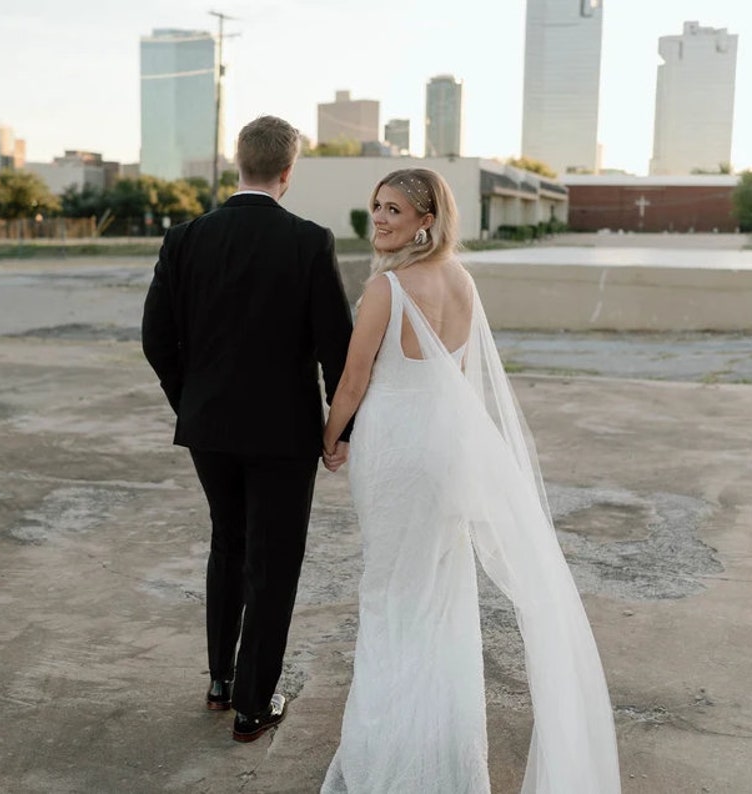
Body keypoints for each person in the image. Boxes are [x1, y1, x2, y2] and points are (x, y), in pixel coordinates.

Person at [319, 168, 622, 792]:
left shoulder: (388, 288)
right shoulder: (463, 281)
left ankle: (388, 762)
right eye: (375, 206)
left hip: (396, 456)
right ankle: (446, 761)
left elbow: (351, 383)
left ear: (426, 220)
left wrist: (329, 439)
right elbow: (456, 375)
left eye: (394, 210)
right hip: (445, 452)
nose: (378, 219)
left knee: (390, 598)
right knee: (440, 599)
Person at [141, 115, 354, 743]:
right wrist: (341, 430)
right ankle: (254, 705)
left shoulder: (184, 238)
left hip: (208, 428)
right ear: (288, 172)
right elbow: (335, 347)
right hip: (284, 433)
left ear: (239, 163)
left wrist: (192, 401)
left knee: (228, 544)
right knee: (274, 560)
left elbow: (157, 339)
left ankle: (221, 682)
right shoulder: (309, 242)